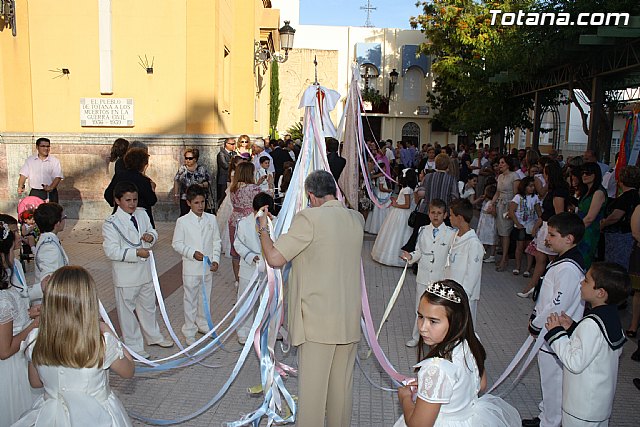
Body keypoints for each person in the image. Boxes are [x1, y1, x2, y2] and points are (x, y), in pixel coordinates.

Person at [257, 170, 364, 427]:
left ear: (311, 196)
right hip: (348, 320)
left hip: (317, 322)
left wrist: (262, 229)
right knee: (341, 394)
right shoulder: (356, 219)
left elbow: (274, 258)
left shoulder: (309, 218)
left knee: (313, 398)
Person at [13, 266, 134, 427]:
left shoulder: (35, 338)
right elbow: (128, 371)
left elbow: (35, 382)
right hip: (98, 417)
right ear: (89, 301)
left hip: (52, 419)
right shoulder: (101, 342)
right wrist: (107, 330)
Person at [394, 280, 520, 427]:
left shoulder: (435, 368)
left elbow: (419, 425)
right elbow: (481, 384)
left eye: (433, 321)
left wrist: (405, 398)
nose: (422, 327)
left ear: (456, 322)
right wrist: (434, 386)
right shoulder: (471, 341)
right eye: (420, 316)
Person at [544, 262, 629, 427]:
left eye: (587, 281)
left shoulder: (591, 324)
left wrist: (556, 333)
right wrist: (573, 328)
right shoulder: (610, 316)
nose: (581, 282)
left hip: (581, 407)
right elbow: (600, 347)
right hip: (599, 403)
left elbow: (574, 362)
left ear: (600, 293)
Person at [523, 212, 586, 427]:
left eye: (552, 235)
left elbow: (557, 305)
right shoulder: (563, 260)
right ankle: (546, 415)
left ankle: (551, 422)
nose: (547, 239)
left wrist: (536, 324)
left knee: (554, 380)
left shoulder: (568, 268)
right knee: (549, 379)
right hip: (549, 328)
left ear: (569, 239)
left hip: (555, 331)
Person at [102, 181, 173, 359]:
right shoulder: (111, 223)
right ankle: (134, 344)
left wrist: (151, 237)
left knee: (148, 306)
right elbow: (111, 251)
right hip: (126, 275)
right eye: (128, 200)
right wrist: (136, 253)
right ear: (117, 201)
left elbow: (152, 231)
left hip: (145, 271)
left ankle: (154, 336)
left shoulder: (142, 214)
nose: (132, 203)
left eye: (135, 199)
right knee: (127, 312)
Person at [0, 219, 40, 427]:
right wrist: (33, 326)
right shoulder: (2, 299)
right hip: (11, 369)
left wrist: (28, 313)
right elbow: (4, 350)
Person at [401, 199, 456, 347]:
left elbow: (451, 257)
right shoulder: (423, 230)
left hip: (440, 277)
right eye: (433, 212)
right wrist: (410, 257)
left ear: (445, 215)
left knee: (439, 310)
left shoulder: (451, 234)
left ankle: (439, 339)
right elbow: (419, 251)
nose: (435, 216)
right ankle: (416, 337)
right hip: (423, 277)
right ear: (428, 213)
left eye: (439, 213)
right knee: (420, 308)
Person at [172, 185, 221, 346]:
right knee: (190, 299)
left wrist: (215, 259)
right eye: (196, 203)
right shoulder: (182, 221)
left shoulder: (211, 219)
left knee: (205, 297)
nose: (200, 206)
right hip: (191, 268)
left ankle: (203, 323)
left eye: (202, 202)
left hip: (207, 268)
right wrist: (192, 253)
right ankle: (189, 329)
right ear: (189, 203)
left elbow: (216, 241)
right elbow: (177, 244)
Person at [523, 161, 571, 298]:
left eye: (544, 173)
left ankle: (549, 290)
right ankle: (532, 286)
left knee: (552, 260)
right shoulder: (552, 189)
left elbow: (558, 214)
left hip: (552, 228)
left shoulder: (558, 191)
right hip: (546, 226)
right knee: (540, 258)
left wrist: (552, 234)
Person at [233, 192, 274, 344]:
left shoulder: (275, 222)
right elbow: (237, 244)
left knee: (269, 299)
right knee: (245, 299)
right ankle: (243, 331)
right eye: (262, 211)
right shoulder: (243, 223)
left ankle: (269, 329)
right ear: (254, 210)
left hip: (269, 267)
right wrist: (251, 256)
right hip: (249, 267)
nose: (264, 214)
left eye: (267, 211)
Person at [403, 153, 459, 252]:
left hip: (426, 210)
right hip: (443, 213)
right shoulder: (451, 179)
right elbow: (455, 197)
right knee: (442, 238)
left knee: (419, 236)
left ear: (436, 164)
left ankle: (415, 256)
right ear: (448, 165)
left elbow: (421, 193)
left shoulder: (428, 176)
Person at [445, 199, 485, 326]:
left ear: (460, 218)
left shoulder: (474, 244)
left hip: (463, 296)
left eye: (451, 215)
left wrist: (463, 296)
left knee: (463, 326)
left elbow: (472, 275)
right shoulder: (455, 235)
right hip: (450, 290)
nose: (449, 218)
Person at [371, 169, 417, 268]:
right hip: (400, 213)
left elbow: (407, 205)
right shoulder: (408, 189)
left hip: (402, 213)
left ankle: (398, 256)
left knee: (397, 233)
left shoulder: (407, 189)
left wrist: (396, 205)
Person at [105, 147, 158, 227]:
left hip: (121, 218)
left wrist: (118, 204)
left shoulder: (119, 176)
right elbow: (151, 200)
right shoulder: (144, 180)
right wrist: (152, 189)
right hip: (140, 220)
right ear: (143, 164)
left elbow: (108, 194)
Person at [600, 165, 640, 271]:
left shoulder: (626, 197)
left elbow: (616, 216)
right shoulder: (635, 196)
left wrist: (603, 224)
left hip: (619, 237)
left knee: (616, 267)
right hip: (625, 236)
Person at [228, 162, 262, 286]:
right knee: (251, 246)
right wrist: (270, 184)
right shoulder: (254, 188)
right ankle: (252, 277)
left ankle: (237, 280)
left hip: (234, 219)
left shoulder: (233, 187)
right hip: (249, 220)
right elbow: (266, 197)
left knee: (235, 250)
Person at [508, 177, 542, 277]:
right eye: (530, 186)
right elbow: (511, 211)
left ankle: (528, 268)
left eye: (533, 186)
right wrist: (517, 223)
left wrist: (539, 223)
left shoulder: (535, 197)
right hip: (520, 226)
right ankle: (517, 267)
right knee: (519, 247)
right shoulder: (518, 197)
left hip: (530, 225)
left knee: (529, 248)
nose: (532, 188)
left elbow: (538, 211)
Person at [576, 161, 607, 269]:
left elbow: (590, 218)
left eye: (588, 173)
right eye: (583, 173)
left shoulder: (598, 192)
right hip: (581, 228)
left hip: (588, 231)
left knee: (584, 260)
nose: (584, 175)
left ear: (596, 175)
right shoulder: (586, 191)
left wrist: (575, 230)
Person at [492, 155, 520, 272]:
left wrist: (511, 210)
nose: (500, 165)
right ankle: (505, 256)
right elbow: (497, 192)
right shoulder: (500, 177)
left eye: (502, 163)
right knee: (501, 232)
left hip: (509, 205)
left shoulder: (514, 176)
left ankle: (504, 259)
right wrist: (492, 204)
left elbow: (516, 194)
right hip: (500, 205)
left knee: (505, 233)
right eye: (499, 163)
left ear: (508, 164)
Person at [17, 137, 64, 203]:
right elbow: (23, 175)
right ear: (37, 147)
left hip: (50, 193)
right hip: (35, 193)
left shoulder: (54, 161)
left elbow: (58, 177)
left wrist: (51, 187)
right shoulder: (30, 160)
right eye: (43, 146)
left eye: (48, 146)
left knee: (51, 209)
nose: (46, 148)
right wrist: (20, 186)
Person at [33, 202, 69, 284]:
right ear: (57, 223)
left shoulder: (48, 240)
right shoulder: (49, 247)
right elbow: (49, 280)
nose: (65, 220)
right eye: (64, 217)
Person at [172, 148, 212, 217]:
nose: (187, 160)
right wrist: (176, 194)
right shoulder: (182, 169)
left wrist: (201, 185)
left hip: (199, 197)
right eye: (186, 158)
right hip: (185, 198)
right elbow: (176, 180)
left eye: (190, 158)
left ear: (195, 159)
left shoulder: (201, 169)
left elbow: (209, 182)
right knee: (185, 216)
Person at [364, 161, 392, 235]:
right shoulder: (381, 176)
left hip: (379, 194)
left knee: (377, 211)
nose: (386, 169)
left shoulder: (378, 175)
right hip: (382, 194)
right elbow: (381, 188)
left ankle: (374, 227)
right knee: (383, 210)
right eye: (384, 168)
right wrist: (389, 190)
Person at [476, 184, 497, 263]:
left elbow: (494, 213)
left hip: (489, 224)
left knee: (491, 240)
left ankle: (492, 255)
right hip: (484, 224)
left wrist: (490, 211)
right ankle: (482, 254)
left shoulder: (491, 203)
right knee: (484, 239)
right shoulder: (486, 201)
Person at [217, 137, 236, 205]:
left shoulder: (234, 153)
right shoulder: (221, 154)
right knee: (223, 197)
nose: (234, 145)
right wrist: (233, 164)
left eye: (234, 144)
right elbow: (225, 165)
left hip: (232, 179)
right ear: (226, 144)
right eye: (232, 144)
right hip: (223, 179)